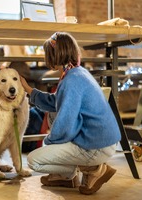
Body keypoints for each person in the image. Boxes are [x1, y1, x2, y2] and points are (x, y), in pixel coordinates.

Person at [20, 32, 121, 195]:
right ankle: (67, 176)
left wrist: (50, 142)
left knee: (34, 160)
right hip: (102, 140)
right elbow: (56, 102)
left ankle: (93, 169)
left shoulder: (71, 81)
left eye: (48, 54)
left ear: (55, 55)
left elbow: (65, 122)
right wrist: (29, 90)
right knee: (53, 113)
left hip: (96, 146)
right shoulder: (77, 72)